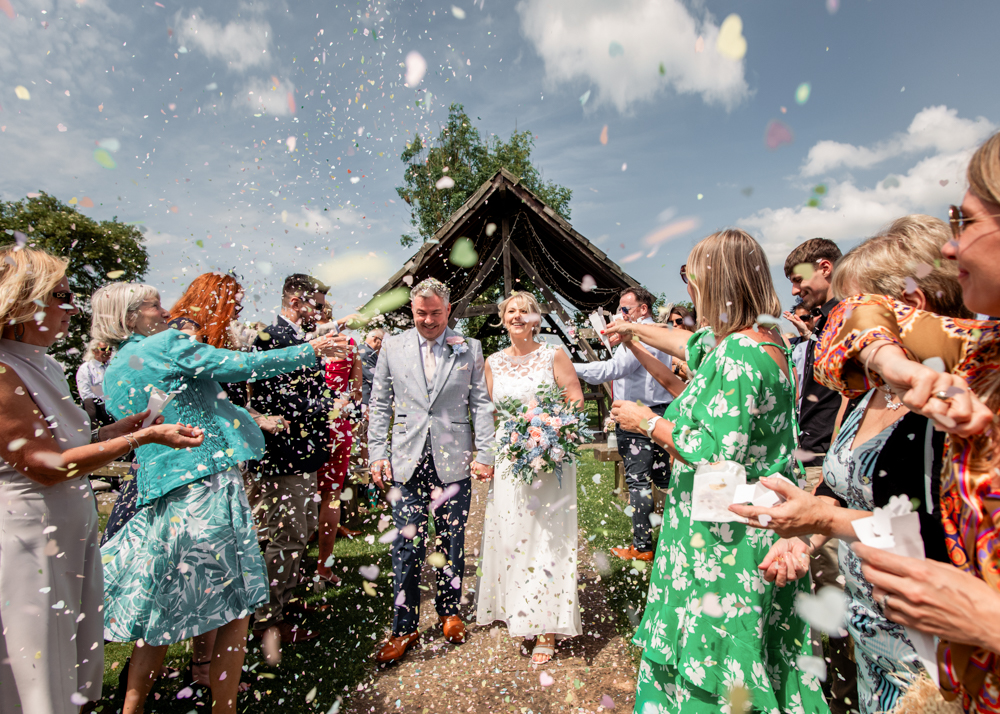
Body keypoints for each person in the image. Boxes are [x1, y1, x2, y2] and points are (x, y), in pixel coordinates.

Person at [729, 215, 970, 714]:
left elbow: (942, 531)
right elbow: (838, 490)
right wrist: (803, 539)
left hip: (933, 652)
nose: (836, 327)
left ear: (912, 308)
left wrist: (825, 522)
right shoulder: (869, 394)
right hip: (870, 634)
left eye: (849, 312)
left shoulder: (955, 407)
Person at [811, 131, 1000, 713]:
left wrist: (987, 619)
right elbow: (853, 322)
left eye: (964, 222)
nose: (950, 246)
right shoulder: (982, 351)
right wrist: (893, 360)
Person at [93, 281, 345, 714]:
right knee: (236, 605)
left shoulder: (116, 366)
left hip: (158, 490)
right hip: (207, 484)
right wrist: (312, 350)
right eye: (154, 306)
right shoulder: (168, 344)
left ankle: (131, 706)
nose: (165, 311)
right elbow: (239, 365)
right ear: (129, 316)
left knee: (158, 614)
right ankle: (223, 707)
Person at [608, 229, 829, 714]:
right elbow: (689, 342)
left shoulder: (739, 353)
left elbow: (713, 451)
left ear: (716, 280)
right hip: (739, 520)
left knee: (721, 658)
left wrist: (647, 422)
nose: (687, 286)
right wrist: (633, 330)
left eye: (691, 274)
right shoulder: (758, 339)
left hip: (726, 534)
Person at [0, 248, 202, 714]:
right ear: (22, 301)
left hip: (67, 530)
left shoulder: (41, 363)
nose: (72, 307)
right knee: (37, 660)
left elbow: (67, 440)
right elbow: (43, 463)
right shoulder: (3, 368)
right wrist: (149, 435)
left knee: (69, 648)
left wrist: (117, 431)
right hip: (27, 539)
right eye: (61, 296)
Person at [368, 278, 495, 664]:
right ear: (411, 310)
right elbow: (380, 403)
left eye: (435, 313)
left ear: (448, 308)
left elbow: (481, 403)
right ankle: (403, 627)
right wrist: (377, 452)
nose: (427, 320)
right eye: (421, 313)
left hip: (452, 458)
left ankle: (449, 612)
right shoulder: (392, 346)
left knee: (452, 540)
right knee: (406, 546)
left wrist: (486, 452)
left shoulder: (469, 348)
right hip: (405, 459)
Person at [476, 291, 585, 665]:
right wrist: (488, 454)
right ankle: (522, 612)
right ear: (502, 318)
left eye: (525, 311)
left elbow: (574, 399)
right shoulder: (492, 361)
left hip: (549, 457)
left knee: (547, 536)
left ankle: (548, 626)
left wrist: (550, 432)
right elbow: (489, 414)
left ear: (536, 319)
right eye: (510, 311)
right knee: (514, 536)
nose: (517, 316)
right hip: (510, 462)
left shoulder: (553, 354)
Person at [781, 237, 859, 714]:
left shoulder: (850, 322)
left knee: (831, 584)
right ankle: (825, 686)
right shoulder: (822, 328)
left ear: (824, 267)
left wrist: (829, 469)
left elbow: (848, 400)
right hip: (807, 463)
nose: (795, 293)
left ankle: (845, 696)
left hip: (825, 470)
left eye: (799, 281)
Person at [246, 274, 341, 657]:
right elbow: (273, 397)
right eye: (315, 305)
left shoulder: (301, 340)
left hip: (302, 452)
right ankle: (267, 620)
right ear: (296, 301)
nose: (319, 313)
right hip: (283, 454)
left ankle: (281, 602)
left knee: (295, 534)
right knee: (286, 536)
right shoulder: (270, 338)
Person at [575, 287, 674, 562]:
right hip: (659, 412)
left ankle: (642, 546)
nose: (621, 314)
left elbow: (612, 370)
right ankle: (671, 539)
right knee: (663, 478)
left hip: (638, 417)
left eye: (626, 309)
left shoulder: (642, 333)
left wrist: (569, 367)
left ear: (643, 309)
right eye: (620, 309)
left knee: (639, 482)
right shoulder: (651, 332)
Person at [315, 307, 363, 586]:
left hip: (307, 426)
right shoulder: (349, 344)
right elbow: (356, 390)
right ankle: (323, 566)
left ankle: (295, 567)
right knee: (331, 496)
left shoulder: (305, 342)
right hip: (339, 425)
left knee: (305, 495)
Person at [76, 337, 114, 426]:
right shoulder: (85, 368)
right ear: (94, 351)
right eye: (104, 349)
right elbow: (85, 394)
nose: (108, 351)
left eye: (110, 349)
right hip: (98, 409)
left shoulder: (113, 365)